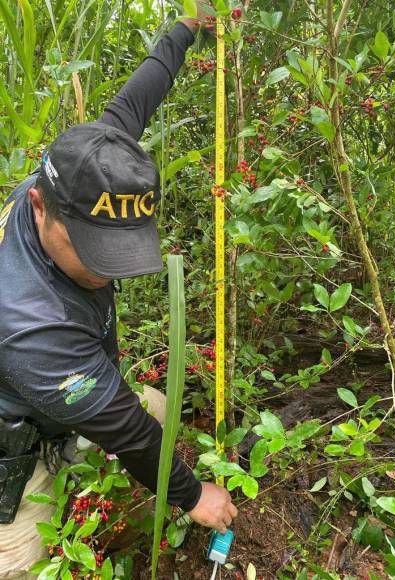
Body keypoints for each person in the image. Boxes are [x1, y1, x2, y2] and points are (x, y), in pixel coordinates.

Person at [0, 0, 237, 567]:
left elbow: (135, 99)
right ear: (39, 205)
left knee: (155, 407)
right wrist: (192, 494)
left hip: (62, 407)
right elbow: (127, 430)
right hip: (14, 441)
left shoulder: (78, 171)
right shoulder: (33, 324)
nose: (106, 270)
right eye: (91, 250)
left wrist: (184, 29)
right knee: (23, 565)